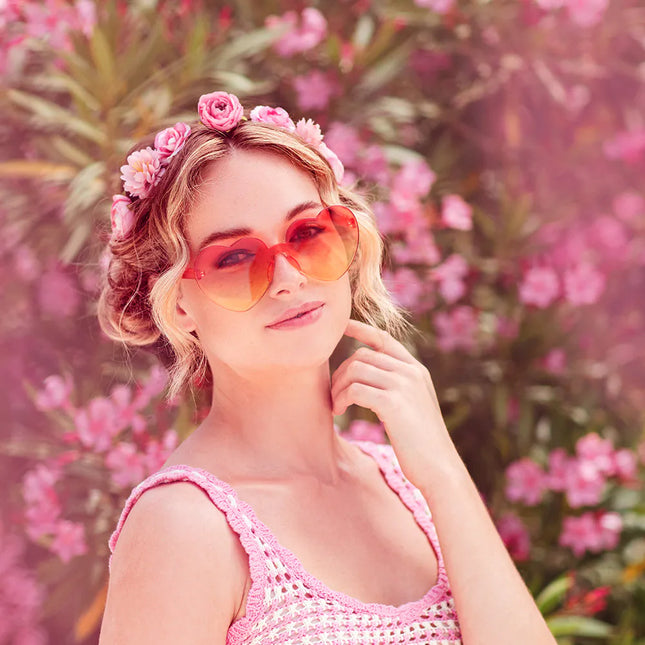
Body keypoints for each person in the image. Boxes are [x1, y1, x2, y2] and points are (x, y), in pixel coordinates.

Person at [97, 91, 556, 644]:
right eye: (236, 258)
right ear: (178, 305)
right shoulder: (182, 525)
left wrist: (444, 475)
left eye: (307, 233)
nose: (289, 278)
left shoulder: (411, 484)